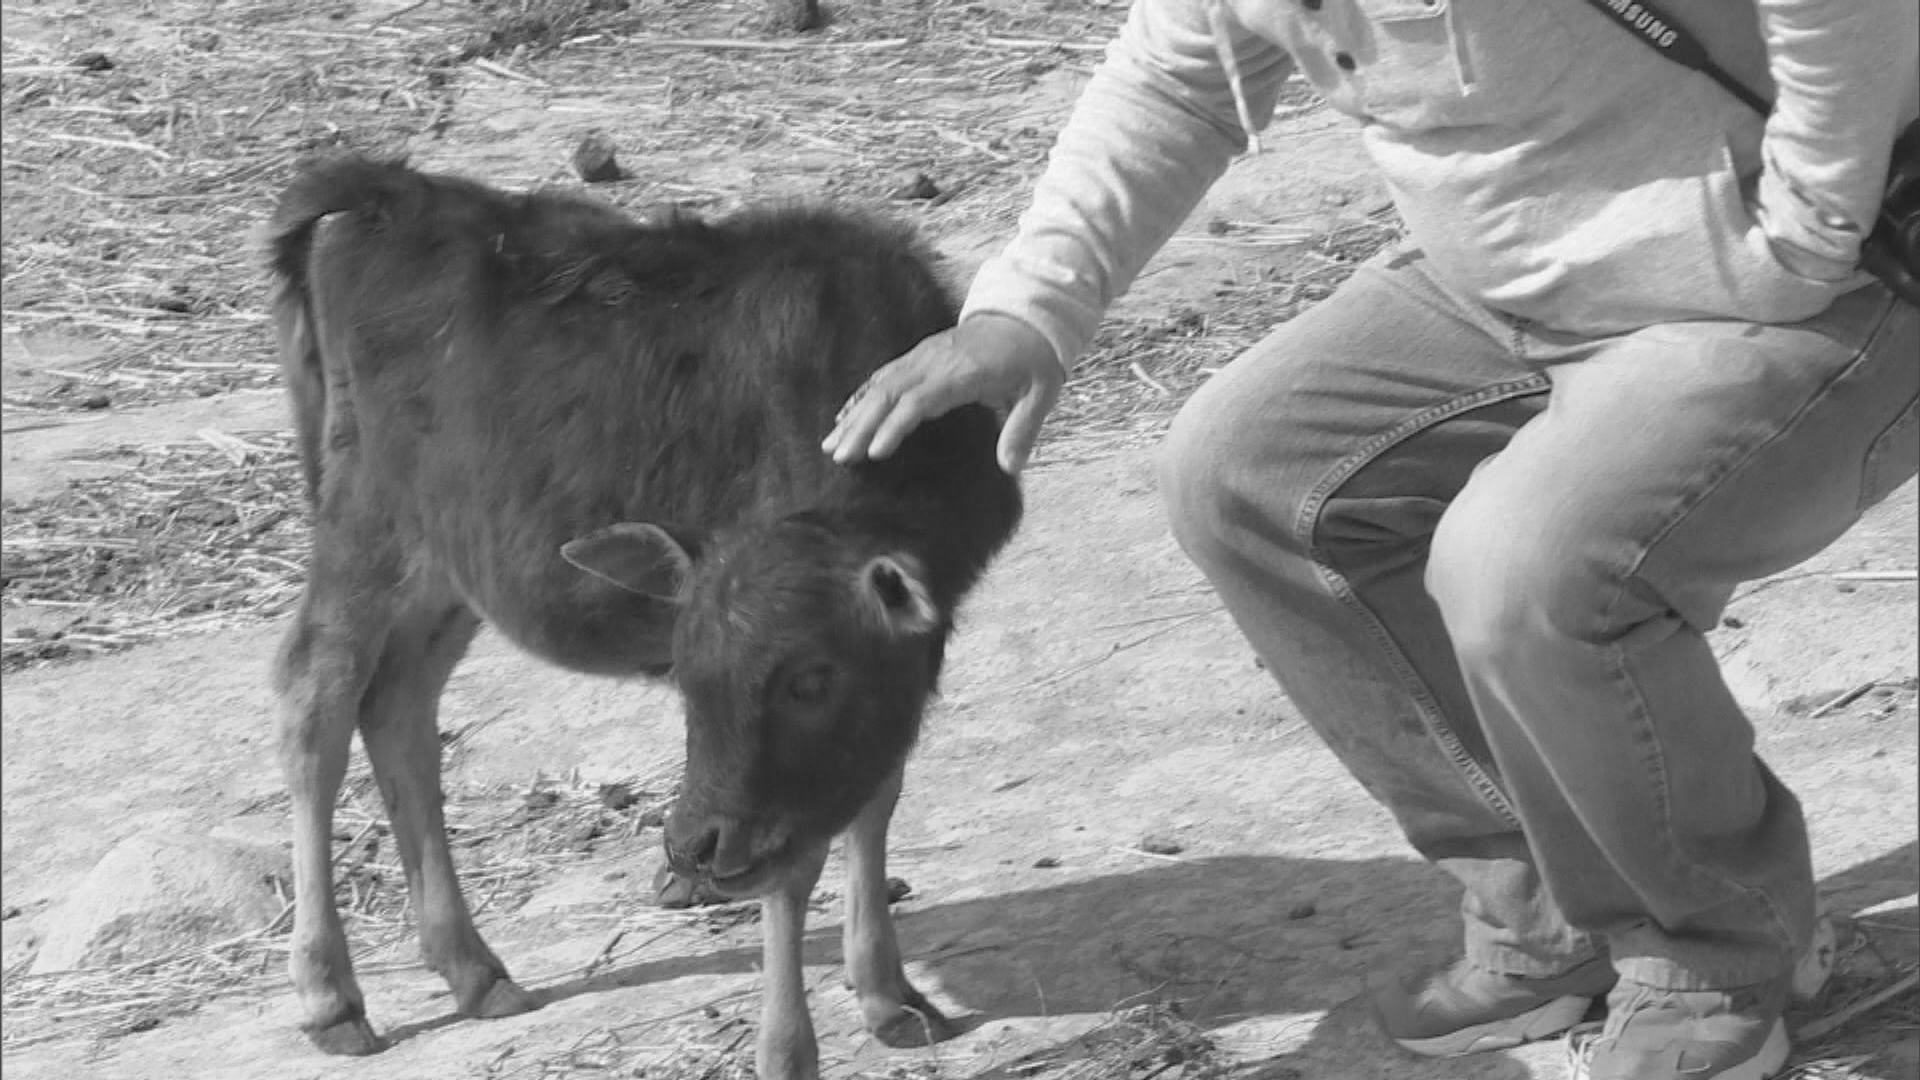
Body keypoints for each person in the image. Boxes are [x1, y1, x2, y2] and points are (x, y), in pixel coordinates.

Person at [821, 1, 1920, 1078]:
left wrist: (1815, 215)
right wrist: (1028, 312)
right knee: (1241, 470)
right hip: (1516, 276)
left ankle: (1724, 957)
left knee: (1524, 567)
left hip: (1810, 281)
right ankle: (1545, 907)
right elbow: (1175, 77)